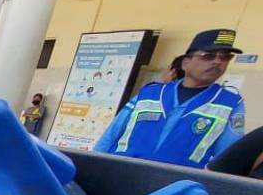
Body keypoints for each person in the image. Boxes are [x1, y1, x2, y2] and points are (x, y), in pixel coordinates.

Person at [95, 29, 246, 168]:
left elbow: (228, 157)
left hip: (176, 182)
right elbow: (111, 134)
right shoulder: (150, 93)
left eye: (225, 57)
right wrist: (93, 165)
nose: (218, 62)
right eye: (208, 56)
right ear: (186, 63)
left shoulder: (230, 103)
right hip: (122, 172)